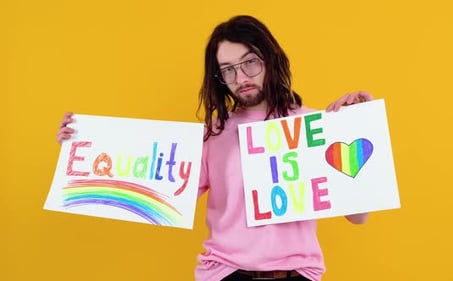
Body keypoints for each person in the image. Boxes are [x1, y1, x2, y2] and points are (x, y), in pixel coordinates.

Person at [57, 15, 372, 281]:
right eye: (228, 69)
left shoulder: (311, 126)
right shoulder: (213, 135)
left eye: (249, 62)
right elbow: (153, 187)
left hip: (297, 274)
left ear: (270, 59)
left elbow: (358, 218)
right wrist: (80, 147)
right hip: (224, 273)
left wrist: (359, 128)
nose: (240, 77)